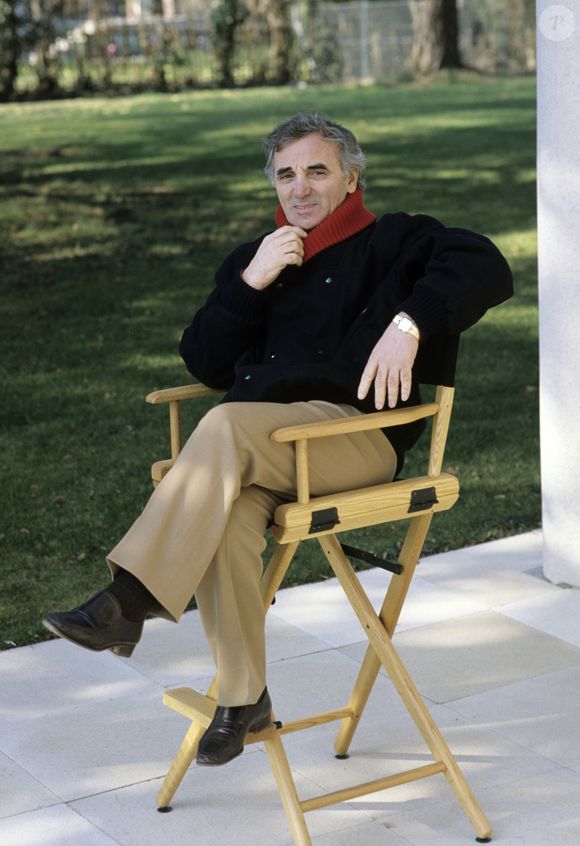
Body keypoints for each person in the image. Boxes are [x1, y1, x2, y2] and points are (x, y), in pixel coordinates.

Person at [43, 113, 513, 767]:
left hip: (353, 436)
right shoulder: (256, 258)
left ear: (350, 178)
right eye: (287, 174)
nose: (301, 187)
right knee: (230, 514)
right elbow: (204, 361)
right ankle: (244, 701)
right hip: (255, 453)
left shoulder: (398, 241)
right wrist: (249, 284)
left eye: (318, 170)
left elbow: (485, 264)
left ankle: (131, 596)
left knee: (227, 426)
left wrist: (409, 322)